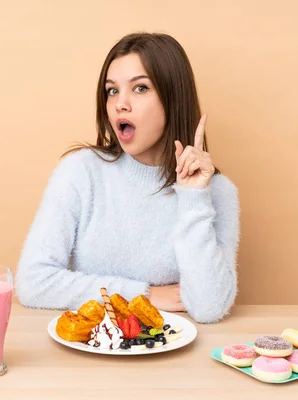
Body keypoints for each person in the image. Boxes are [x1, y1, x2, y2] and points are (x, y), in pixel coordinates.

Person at [15, 32, 240, 324]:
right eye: (112, 91)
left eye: (140, 88)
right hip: (90, 355)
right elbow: (33, 282)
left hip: (172, 359)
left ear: (173, 98)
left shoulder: (217, 192)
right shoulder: (81, 171)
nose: (120, 104)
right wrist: (141, 295)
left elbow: (209, 307)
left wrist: (194, 196)